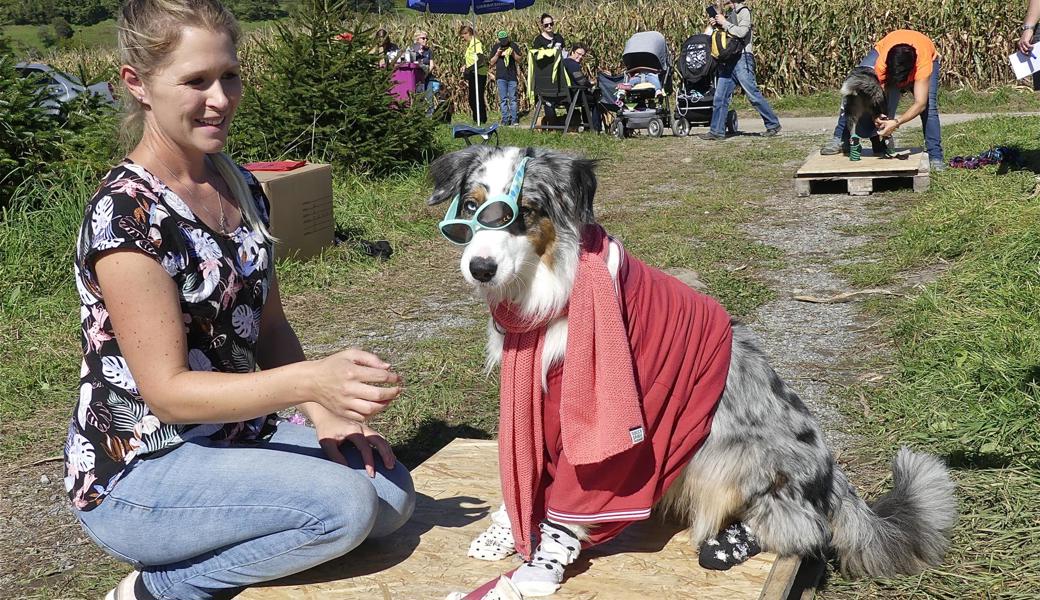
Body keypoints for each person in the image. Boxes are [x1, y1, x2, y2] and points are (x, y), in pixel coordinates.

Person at [68, 2, 415, 599]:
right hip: (143, 468)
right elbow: (170, 395)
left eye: (228, 75)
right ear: (138, 84)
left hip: (232, 436)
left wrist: (328, 415)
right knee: (344, 509)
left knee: (389, 494)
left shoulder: (238, 183)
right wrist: (312, 383)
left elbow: (270, 326)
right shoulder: (127, 215)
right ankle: (160, 589)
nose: (220, 98)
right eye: (196, 81)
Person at [820, 29, 944, 171]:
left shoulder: (923, 64)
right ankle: (841, 139)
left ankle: (935, 157)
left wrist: (896, 122)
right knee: (857, 86)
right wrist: (876, 116)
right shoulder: (882, 64)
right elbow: (878, 95)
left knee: (930, 106)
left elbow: (920, 103)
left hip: (925, 52)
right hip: (886, 46)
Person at [699, 0, 781, 140]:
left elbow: (742, 32)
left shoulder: (743, 11)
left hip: (742, 59)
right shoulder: (731, 14)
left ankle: (773, 124)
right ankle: (717, 131)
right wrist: (718, 25)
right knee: (720, 97)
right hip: (729, 60)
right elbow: (728, 35)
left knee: (752, 94)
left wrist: (724, 22)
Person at [562, 43, 602, 131]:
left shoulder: (563, 62)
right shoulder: (573, 64)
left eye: (582, 55)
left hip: (563, 94)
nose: (580, 57)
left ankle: (587, 126)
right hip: (574, 95)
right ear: (572, 52)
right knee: (595, 99)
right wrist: (591, 83)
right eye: (578, 54)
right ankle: (596, 128)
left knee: (586, 97)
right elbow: (582, 82)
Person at [491, 30, 523, 126]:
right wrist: (497, 54)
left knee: (513, 98)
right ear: (499, 40)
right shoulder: (496, 47)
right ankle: (505, 119)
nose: (504, 42)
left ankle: (514, 119)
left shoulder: (513, 45)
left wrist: (512, 54)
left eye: (505, 40)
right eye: (502, 40)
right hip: (501, 77)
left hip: (512, 76)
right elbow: (491, 62)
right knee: (503, 99)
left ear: (508, 38)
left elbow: (519, 59)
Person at [459, 24, 488, 125]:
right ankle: (478, 119)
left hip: (479, 73)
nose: (462, 38)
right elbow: (472, 59)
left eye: (462, 36)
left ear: (467, 33)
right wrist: (465, 66)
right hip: (473, 73)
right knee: (472, 98)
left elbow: (480, 60)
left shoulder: (476, 43)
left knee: (477, 98)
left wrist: (468, 69)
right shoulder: (470, 44)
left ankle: (481, 119)